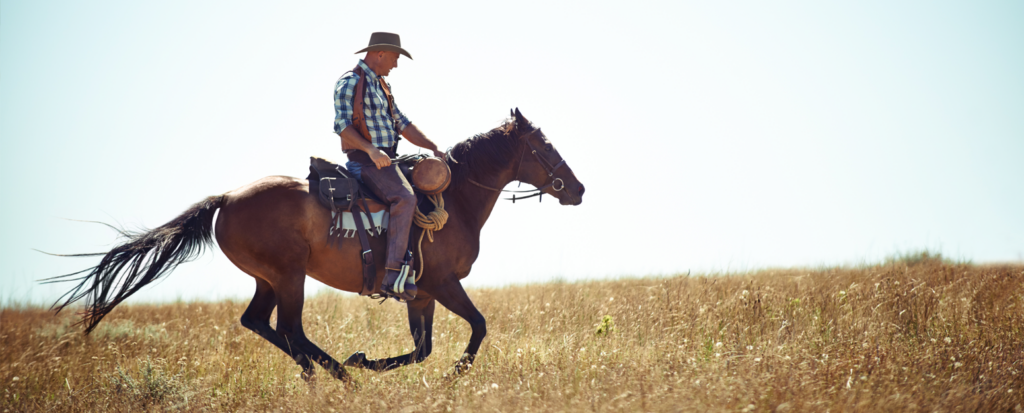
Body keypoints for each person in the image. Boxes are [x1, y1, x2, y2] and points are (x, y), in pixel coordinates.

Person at [334, 32, 443, 301]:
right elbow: (342, 127)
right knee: (404, 198)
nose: (395, 65)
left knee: (429, 185)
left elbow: (402, 123)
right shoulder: (350, 82)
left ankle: (416, 264)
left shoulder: (383, 86)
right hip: (366, 162)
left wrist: (433, 148)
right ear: (380, 53)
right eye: (395, 58)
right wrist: (371, 150)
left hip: (388, 160)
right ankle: (393, 275)